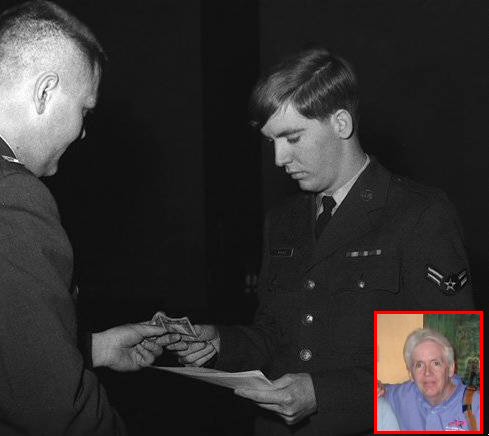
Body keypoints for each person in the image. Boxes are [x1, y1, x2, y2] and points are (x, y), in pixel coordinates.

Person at [165, 48, 475, 435]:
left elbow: (456, 363)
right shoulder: (283, 220)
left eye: (292, 138)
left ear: (341, 123)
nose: (279, 159)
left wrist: (323, 393)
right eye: (271, 143)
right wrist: (222, 344)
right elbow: (277, 335)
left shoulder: (419, 214)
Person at [0, 2, 181, 434]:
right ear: (44, 92)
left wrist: (91, 347)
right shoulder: (15, 195)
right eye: (84, 109)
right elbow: (56, 409)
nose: (83, 132)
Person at [382, 328, 480, 431]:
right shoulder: (402, 397)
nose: (427, 372)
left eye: (436, 363)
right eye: (419, 365)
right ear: (411, 373)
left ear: (451, 368)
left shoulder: (476, 405)